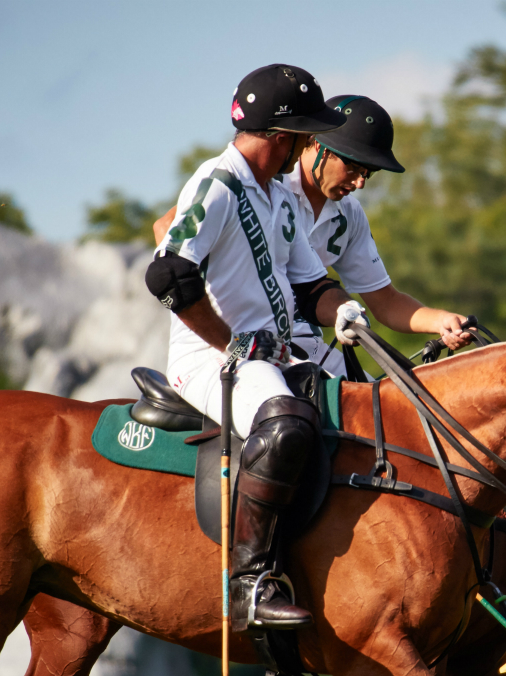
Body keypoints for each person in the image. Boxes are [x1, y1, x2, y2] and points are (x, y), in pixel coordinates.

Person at [144, 63, 355, 632]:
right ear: (282, 137)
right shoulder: (218, 183)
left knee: (359, 410)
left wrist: (347, 313)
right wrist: (228, 343)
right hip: (210, 360)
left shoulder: (279, 199)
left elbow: (313, 288)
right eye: (306, 134)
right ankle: (250, 584)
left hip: (273, 356)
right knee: (285, 425)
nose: (310, 145)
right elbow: (168, 275)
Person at [153, 94, 472, 377]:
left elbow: (385, 301)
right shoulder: (263, 181)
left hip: (304, 346)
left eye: (368, 172)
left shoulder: (350, 216)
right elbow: (166, 232)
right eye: (353, 166)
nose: (360, 183)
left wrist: (441, 320)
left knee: (392, 416)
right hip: (236, 343)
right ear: (317, 143)